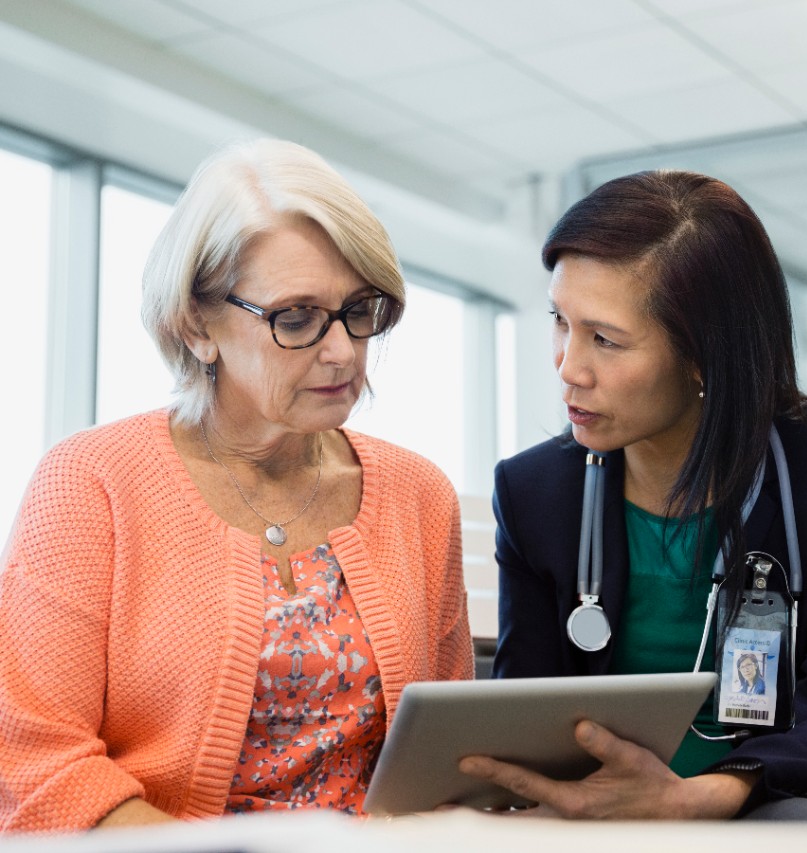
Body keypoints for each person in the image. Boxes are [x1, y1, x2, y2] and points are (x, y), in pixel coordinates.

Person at [466, 170, 807, 823]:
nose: (568, 366)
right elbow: (529, 717)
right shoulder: (535, 492)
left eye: (605, 339)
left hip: (792, 801)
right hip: (616, 819)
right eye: (560, 321)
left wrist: (693, 799)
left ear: (705, 354)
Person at [0, 139, 473, 835]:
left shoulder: (420, 495)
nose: (342, 350)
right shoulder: (90, 482)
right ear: (197, 327)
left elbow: (445, 760)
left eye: (359, 310)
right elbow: (36, 765)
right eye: (297, 317)